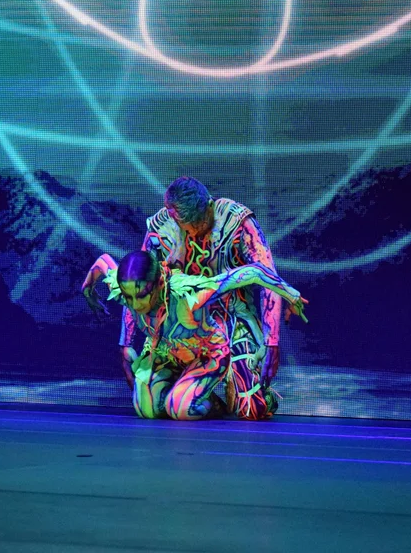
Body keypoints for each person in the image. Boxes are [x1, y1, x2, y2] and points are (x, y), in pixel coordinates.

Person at [113, 177, 292, 419]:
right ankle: (196, 396)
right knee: (149, 407)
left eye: (200, 221)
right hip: (178, 330)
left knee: (251, 409)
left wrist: (271, 341)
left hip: (230, 323)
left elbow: (267, 275)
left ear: (209, 205)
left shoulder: (236, 221)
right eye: (187, 225)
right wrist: (126, 343)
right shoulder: (161, 227)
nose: (195, 231)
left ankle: (244, 389)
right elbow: (138, 281)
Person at [83, 250, 306, 420]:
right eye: (129, 297)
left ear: (159, 283)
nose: (135, 304)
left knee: (179, 409)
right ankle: (186, 390)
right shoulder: (125, 287)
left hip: (206, 354)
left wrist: (292, 295)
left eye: (141, 295)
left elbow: (253, 273)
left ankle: (217, 404)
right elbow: (103, 262)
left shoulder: (188, 294)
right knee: (147, 410)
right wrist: (87, 288)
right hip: (167, 354)